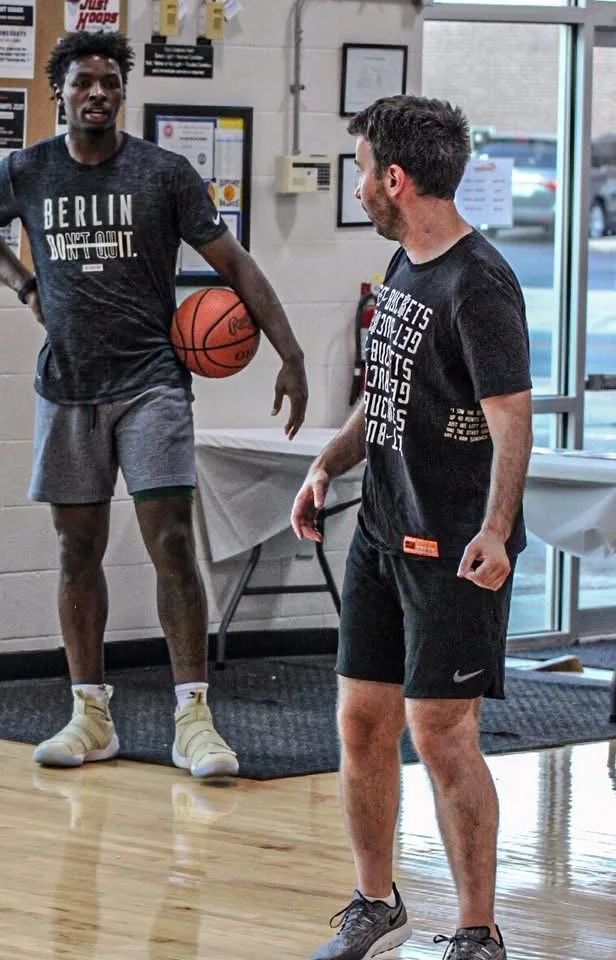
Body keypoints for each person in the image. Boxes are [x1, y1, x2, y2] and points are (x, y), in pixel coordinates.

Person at [0, 30, 308, 779]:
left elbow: (235, 263)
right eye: (84, 81)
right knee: (75, 550)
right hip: (68, 386)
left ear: (123, 92)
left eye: (110, 83)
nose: (98, 94)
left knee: (172, 544)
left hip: (152, 383)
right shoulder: (28, 172)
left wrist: (293, 352)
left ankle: (194, 719)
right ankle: (90, 715)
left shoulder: (164, 174)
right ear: (60, 91)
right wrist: (25, 286)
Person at [290, 95, 532, 960]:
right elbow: (387, 395)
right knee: (362, 721)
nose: (357, 184)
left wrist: (498, 530)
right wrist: (329, 464)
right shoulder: (405, 263)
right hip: (382, 539)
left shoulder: (479, 283)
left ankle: (477, 930)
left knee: (441, 733)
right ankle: (373, 903)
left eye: (361, 170)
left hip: (456, 549)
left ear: (394, 179)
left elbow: (511, 419)